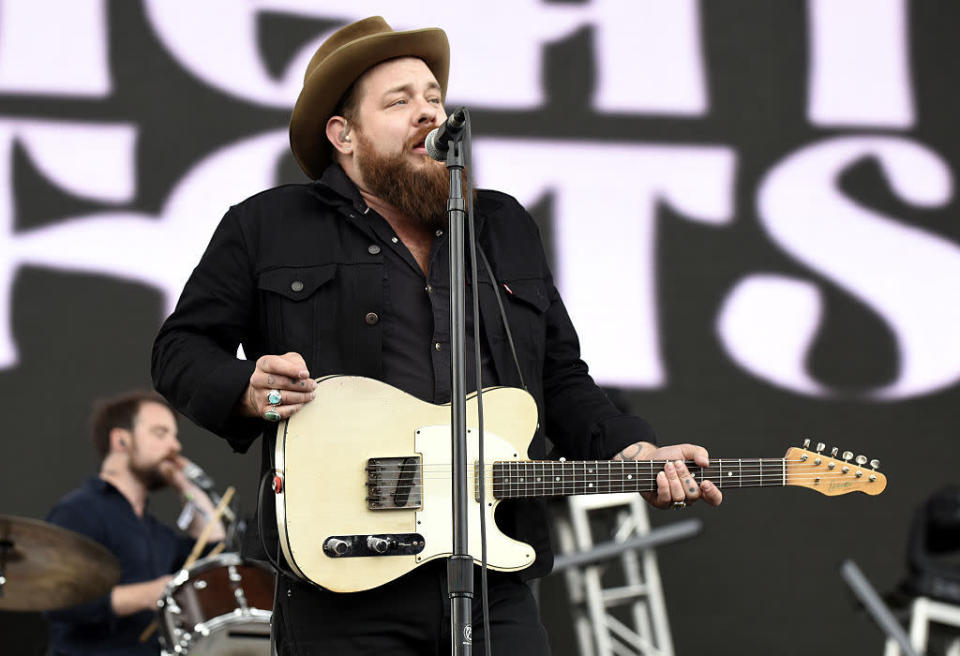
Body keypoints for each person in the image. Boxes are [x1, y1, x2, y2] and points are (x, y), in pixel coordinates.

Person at [151, 16, 722, 655]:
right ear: (342, 133)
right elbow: (179, 350)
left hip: (489, 571)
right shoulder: (269, 225)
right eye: (399, 102)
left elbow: (560, 376)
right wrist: (246, 390)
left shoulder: (501, 226)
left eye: (433, 97)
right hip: (342, 576)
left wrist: (631, 449)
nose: (427, 113)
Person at [45, 390, 225, 656]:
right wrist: (147, 594)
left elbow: (212, 548)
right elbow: (57, 602)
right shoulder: (78, 511)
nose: (175, 447)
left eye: (174, 437)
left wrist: (187, 487)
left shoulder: (157, 532)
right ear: (121, 440)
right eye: (160, 433)